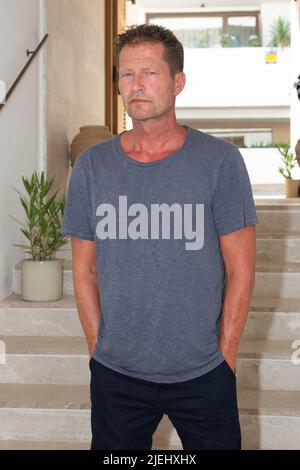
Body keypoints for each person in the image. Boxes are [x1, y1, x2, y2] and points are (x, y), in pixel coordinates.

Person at [61, 24, 258, 451]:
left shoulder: (220, 162)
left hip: (203, 372)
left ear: (178, 81)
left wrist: (225, 355)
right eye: (126, 74)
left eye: (149, 73)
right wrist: (99, 350)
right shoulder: (93, 167)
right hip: (117, 374)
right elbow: (83, 268)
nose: (135, 85)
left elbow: (240, 270)